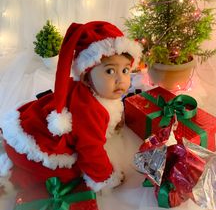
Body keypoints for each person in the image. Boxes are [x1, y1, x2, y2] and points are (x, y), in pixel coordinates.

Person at [0, 21, 142, 193]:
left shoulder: (95, 92)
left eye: (126, 70)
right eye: (110, 71)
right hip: (38, 144)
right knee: (69, 174)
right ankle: (13, 176)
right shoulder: (90, 109)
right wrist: (106, 176)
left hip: (31, 124)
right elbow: (90, 151)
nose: (121, 80)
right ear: (86, 75)